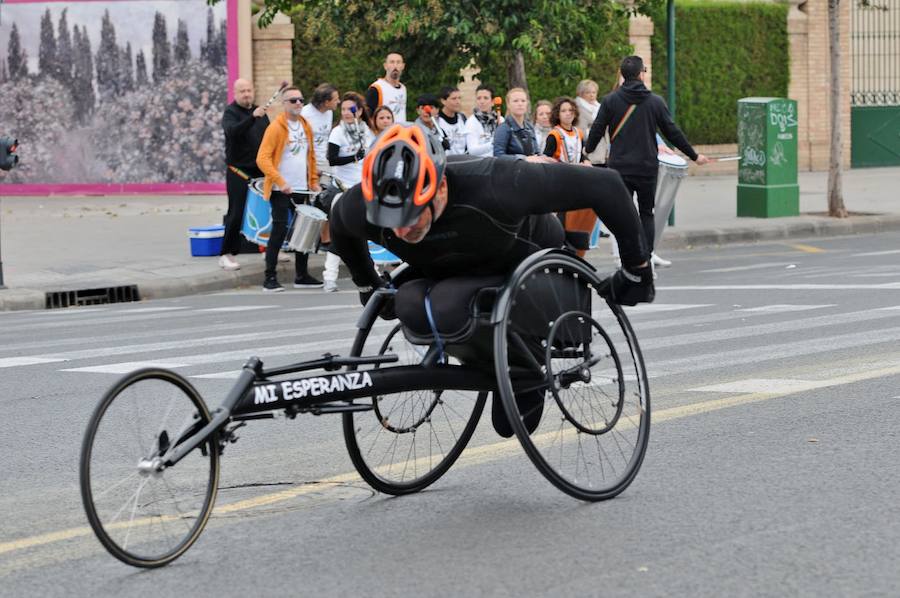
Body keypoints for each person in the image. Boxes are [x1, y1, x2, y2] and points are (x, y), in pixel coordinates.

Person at [330, 124, 654, 437]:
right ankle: (488, 357)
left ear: (440, 188)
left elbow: (606, 185)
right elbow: (340, 225)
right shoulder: (365, 206)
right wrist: (368, 285)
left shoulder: (498, 182)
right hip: (448, 265)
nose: (401, 231)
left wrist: (636, 269)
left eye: (413, 216)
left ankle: (522, 367)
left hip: (517, 255)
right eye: (393, 220)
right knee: (410, 303)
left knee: (450, 306)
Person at [586, 56, 709, 266]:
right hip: (646, 168)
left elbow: (598, 129)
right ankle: (646, 256)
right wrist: (694, 155)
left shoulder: (610, 101)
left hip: (620, 167)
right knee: (646, 213)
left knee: (624, 213)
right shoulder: (655, 101)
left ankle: (627, 256)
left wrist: (587, 150)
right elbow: (672, 132)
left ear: (623, 75)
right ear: (642, 73)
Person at [256, 86, 323, 292]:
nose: (298, 104)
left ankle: (301, 275)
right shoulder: (276, 127)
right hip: (280, 188)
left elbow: (310, 157)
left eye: (301, 100)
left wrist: (313, 181)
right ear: (284, 104)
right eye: (293, 100)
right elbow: (262, 158)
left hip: (302, 187)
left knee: (304, 230)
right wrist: (280, 181)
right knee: (279, 230)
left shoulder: (305, 126)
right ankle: (270, 277)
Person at [323, 92, 375, 292]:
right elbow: (332, 159)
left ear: (359, 111)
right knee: (339, 233)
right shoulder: (338, 132)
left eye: (351, 109)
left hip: (360, 188)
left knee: (364, 232)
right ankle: (330, 276)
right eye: (343, 109)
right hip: (341, 188)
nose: (346, 113)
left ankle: (372, 274)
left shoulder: (365, 131)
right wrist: (354, 157)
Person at [220, 78, 270, 271]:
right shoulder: (231, 112)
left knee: (266, 212)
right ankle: (226, 253)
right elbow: (232, 132)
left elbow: (268, 138)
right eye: (242, 91)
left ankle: (268, 249)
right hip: (238, 171)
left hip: (260, 171)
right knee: (236, 212)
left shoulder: (260, 112)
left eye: (249, 90)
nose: (247, 94)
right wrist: (252, 118)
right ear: (235, 93)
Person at [543, 97, 596, 256]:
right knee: (562, 215)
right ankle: (560, 246)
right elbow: (546, 158)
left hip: (576, 180)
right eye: (563, 111)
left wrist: (586, 162)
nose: (567, 114)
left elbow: (582, 154)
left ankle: (574, 248)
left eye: (570, 111)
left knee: (576, 215)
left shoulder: (579, 133)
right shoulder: (554, 134)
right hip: (560, 180)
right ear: (557, 114)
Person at [493, 88, 550, 160]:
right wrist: (523, 159)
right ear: (508, 104)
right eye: (515, 101)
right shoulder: (503, 129)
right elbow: (498, 156)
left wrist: (544, 158)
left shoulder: (529, 127)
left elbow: (536, 152)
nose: (520, 104)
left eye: (523, 101)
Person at [300, 83, 340, 183]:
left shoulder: (329, 112)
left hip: (324, 162)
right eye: (335, 99)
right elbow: (300, 143)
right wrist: (309, 167)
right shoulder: (304, 114)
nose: (338, 102)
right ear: (326, 102)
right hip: (309, 163)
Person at [366, 52, 408, 124]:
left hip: (401, 132)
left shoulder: (403, 89)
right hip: (384, 133)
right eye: (392, 62)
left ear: (403, 66)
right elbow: (368, 116)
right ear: (385, 66)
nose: (395, 66)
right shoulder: (377, 88)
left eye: (398, 62)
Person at [575, 79, 607, 167]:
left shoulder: (599, 107)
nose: (591, 95)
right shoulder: (578, 108)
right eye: (588, 92)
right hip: (588, 148)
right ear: (581, 93)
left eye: (594, 92)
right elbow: (581, 130)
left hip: (603, 149)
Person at [464, 83, 502, 157]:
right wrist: (493, 143)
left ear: (493, 102)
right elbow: (472, 150)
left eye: (485, 98)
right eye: (479, 98)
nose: (482, 101)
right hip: (480, 164)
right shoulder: (471, 122)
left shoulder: (500, 119)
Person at [435, 86, 467, 155]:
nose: (458, 102)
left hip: (463, 162)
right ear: (443, 101)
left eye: (459, 98)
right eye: (454, 99)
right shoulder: (436, 121)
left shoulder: (462, 118)